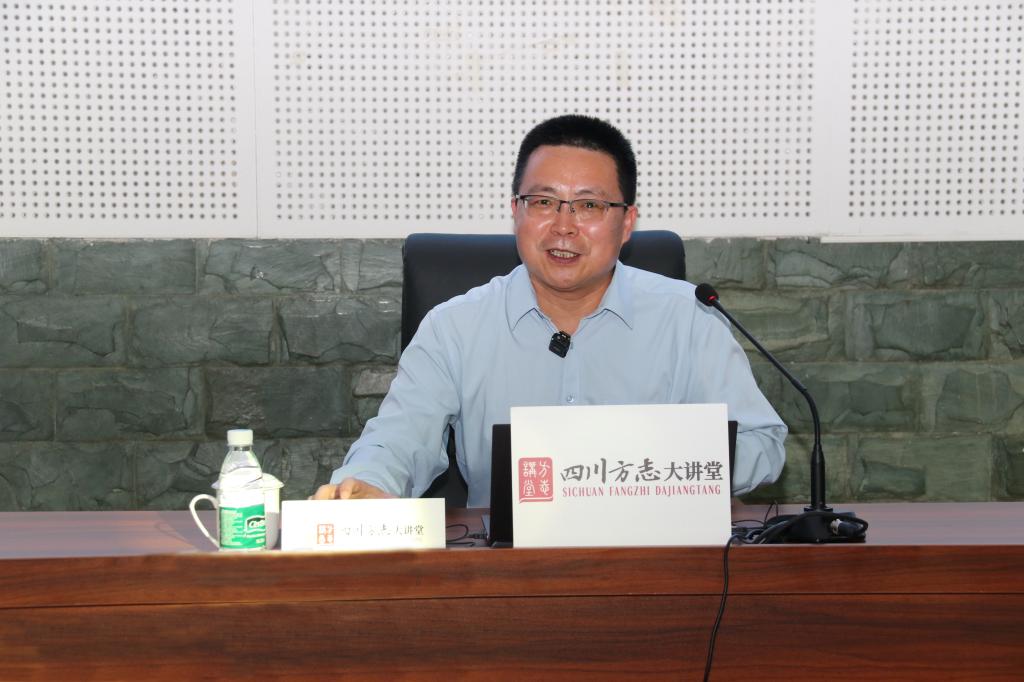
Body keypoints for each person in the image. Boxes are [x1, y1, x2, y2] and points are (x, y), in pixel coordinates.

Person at [313, 114, 786, 505]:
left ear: (626, 223)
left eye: (589, 206)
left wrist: (658, 464)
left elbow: (761, 444)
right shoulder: (454, 327)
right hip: (506, 570)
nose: (564, 226)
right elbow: (397, 440)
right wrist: (367, 485)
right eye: (543, 202)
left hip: (658, 564)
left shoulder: (689, 318)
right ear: (515, 211)